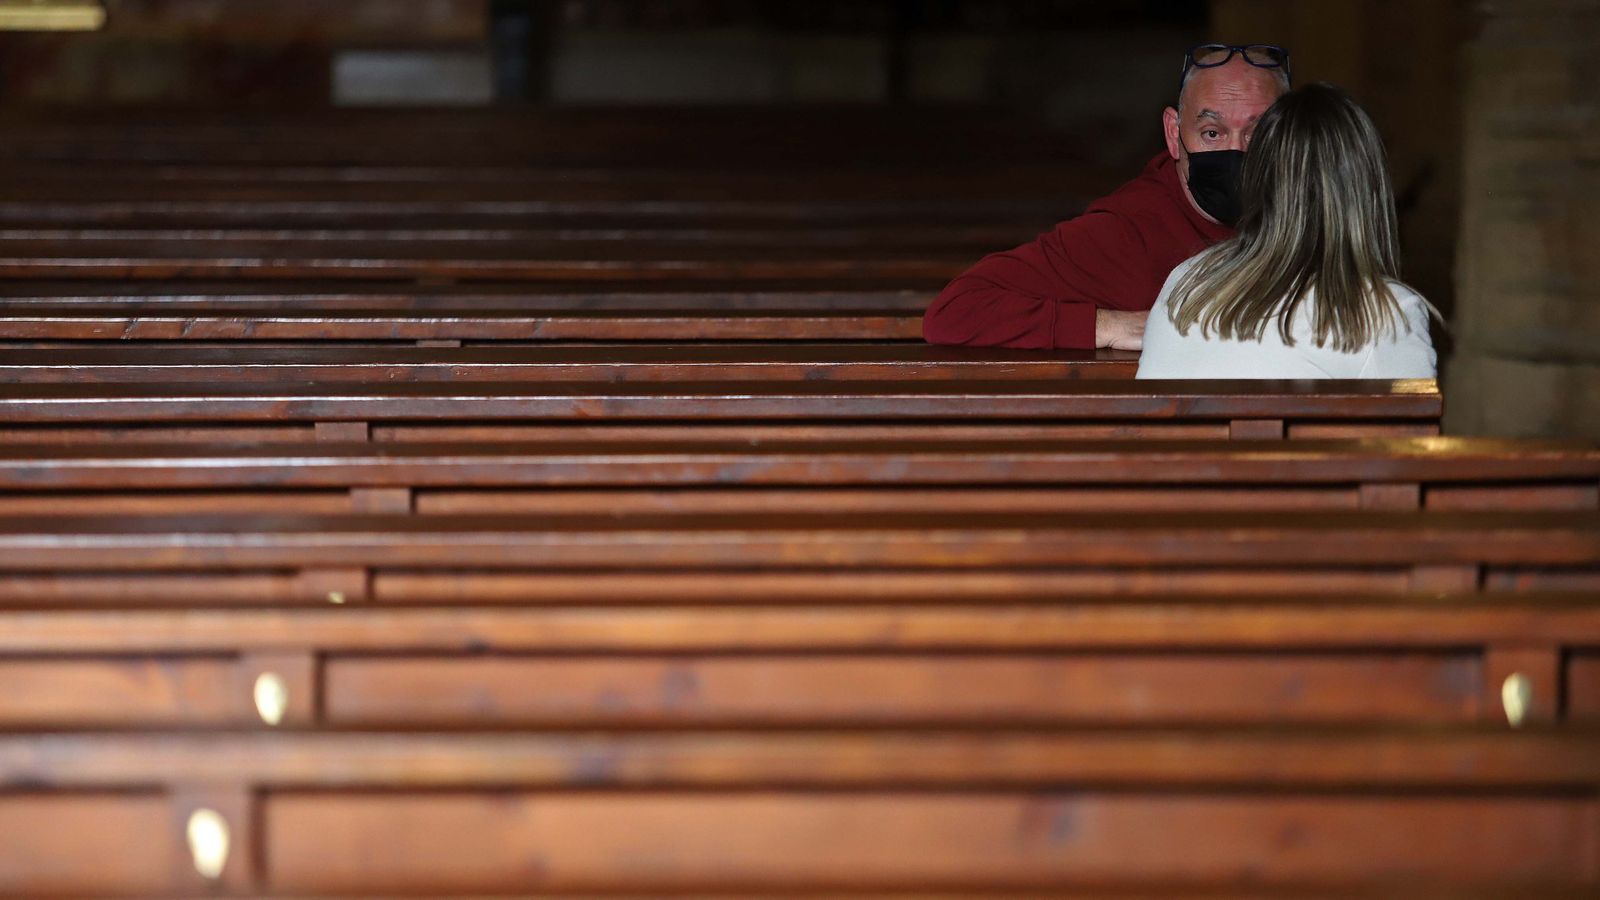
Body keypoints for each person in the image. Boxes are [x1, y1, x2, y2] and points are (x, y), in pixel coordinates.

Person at [923, 43, 1290, 351]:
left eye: (1258, 135)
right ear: (1174, 134)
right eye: (1212, 133)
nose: (1235, 150)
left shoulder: (1318, 205)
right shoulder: (1127, 232)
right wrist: (1109, 325)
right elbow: (953, 312)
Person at [1135, 83, 1438, 379]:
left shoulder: (1185, 283)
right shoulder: (1387, 314)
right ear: (1370, 192)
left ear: (1256, 179)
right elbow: (1408, 430)